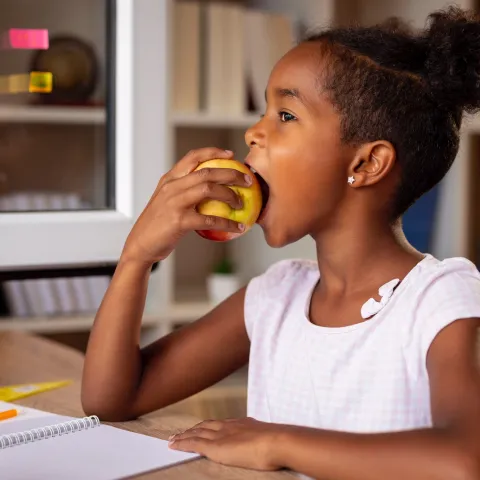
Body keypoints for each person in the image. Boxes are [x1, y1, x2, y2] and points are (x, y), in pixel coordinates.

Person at [81, 5, 480, 480]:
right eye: (263, 112)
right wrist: (137, 256)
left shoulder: (440, 299)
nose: (253, 132)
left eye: (285, 114)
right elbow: (111, 400)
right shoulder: (276, 297)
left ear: (366, 164)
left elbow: (464, 459)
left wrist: (276, 441)